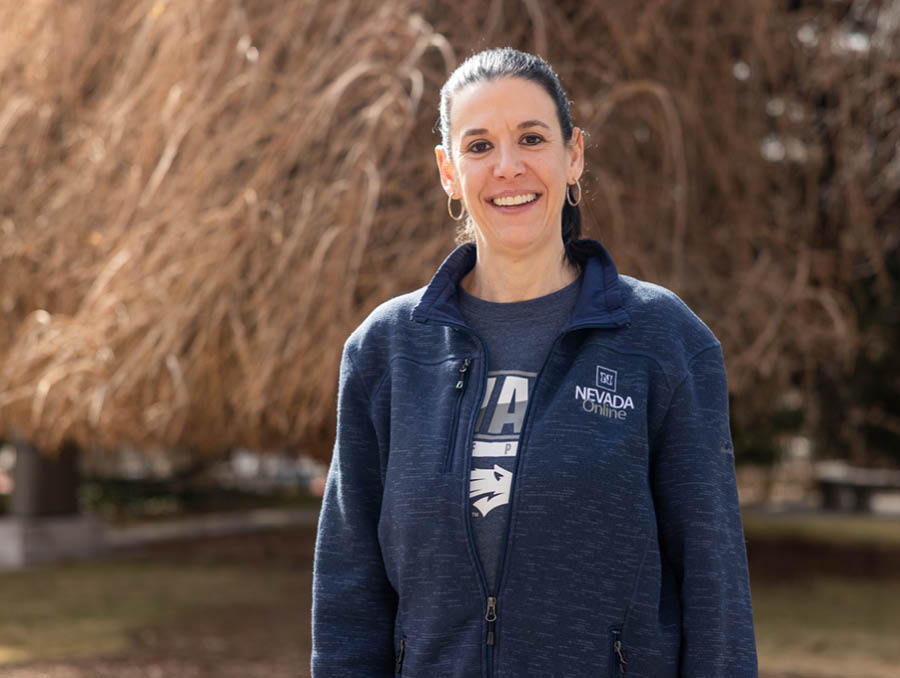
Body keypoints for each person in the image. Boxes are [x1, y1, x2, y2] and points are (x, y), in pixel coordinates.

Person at [311, 47, 758, 677]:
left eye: (531, 137)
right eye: (479, 146)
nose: (508, 166)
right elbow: (347, 599)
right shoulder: (384, 352)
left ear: (573, 154)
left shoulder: (662, 339)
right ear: (447, 170)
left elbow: (716, 591)